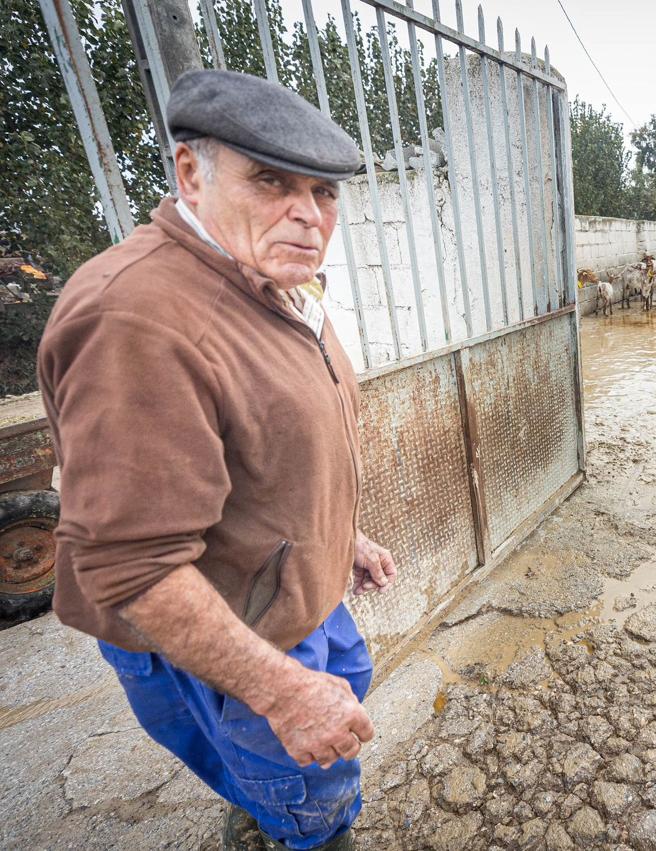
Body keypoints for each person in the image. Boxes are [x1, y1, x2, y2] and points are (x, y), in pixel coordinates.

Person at [37, 69, 396, 851]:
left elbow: (277, 445)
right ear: (191, 174)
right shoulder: (135, 319)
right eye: (271, 180)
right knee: (307, 794)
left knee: (317, 750)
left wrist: (343, 534)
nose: (308, 215)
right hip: (231, 638)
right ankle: (293, 827)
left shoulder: (272, 280)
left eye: (324, 191)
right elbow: (132, 570)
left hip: (298, 596)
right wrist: (283, 690)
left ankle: (272, 804)